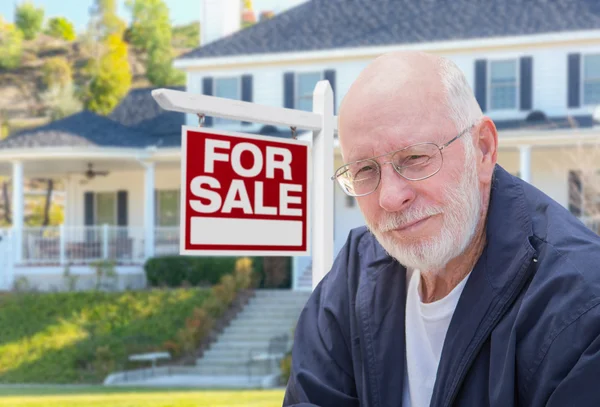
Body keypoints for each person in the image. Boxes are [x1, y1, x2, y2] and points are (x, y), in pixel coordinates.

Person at [282, 51, 600, 407]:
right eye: (364, 170)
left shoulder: (582, 306)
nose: (390, 197)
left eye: (415, 158)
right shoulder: (355, 275)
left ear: (483, 149)